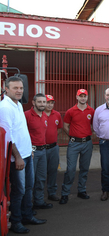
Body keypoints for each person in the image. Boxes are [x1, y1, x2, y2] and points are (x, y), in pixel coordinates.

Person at [0, 76, 46, 234]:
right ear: (6, 89)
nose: (19, 91)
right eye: (15, 88)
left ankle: (27, 216)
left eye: (21, 88)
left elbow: (21, 131)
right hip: (16, 158)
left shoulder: (18, 104)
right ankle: (16, 221)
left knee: (28, 187)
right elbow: (8, 136)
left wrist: (29, 151)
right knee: (19, 190)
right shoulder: (5, 107)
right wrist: (18, 157)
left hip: (27, 154)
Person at [59, 89, 94, 204]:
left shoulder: (91, 111)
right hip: (74, 144)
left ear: (87, 97)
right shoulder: (71, 111)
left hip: (87, 144)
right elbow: (65, 126)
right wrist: (73, 136)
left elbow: (94, 125)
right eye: (81, 96)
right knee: (70, 169)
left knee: (84, 168)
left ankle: (81, 190)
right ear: (77, 97)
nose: (83, 98)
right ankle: (65, 193)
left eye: (85, 96)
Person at [25, 93, 54, 210]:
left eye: (44, 102)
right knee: (30, 180)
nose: (42, 104)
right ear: (33, 102)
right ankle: (27, 206)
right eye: (40, 102)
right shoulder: (26, 115)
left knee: (41, 178)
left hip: (43, 151)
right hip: (32, 152)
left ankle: (39, 201)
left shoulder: (44, 116)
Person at [44, 94, 63, 201]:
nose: (50, 105)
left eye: (52, 103)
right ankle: (38, 195)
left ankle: (51, 193)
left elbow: (59, 130)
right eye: (48, 102)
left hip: (53, 148)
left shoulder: (57, 115)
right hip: (41, 148)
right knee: (40, 174)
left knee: (53, 171)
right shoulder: (40, 114)